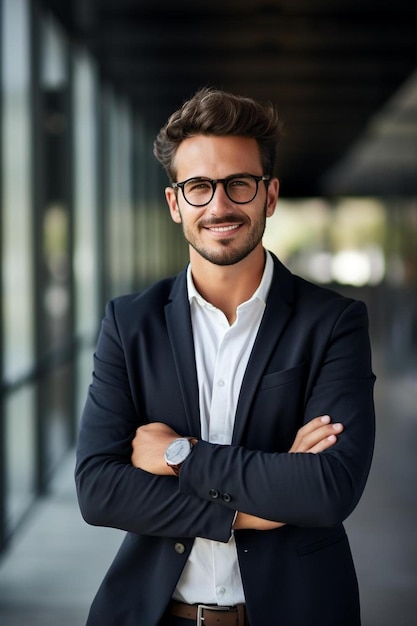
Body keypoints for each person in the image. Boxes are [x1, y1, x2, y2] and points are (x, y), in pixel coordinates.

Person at [75, 87, 376, 626]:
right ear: (174, 203)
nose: (218, 206)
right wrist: (252, 510)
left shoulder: (332, 322)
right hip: (153, 612)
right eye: (197, 187)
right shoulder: (130, 323)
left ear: (270, 195)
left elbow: (328, 489)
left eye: (239, 184)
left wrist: (180, 457)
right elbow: (99, 489)